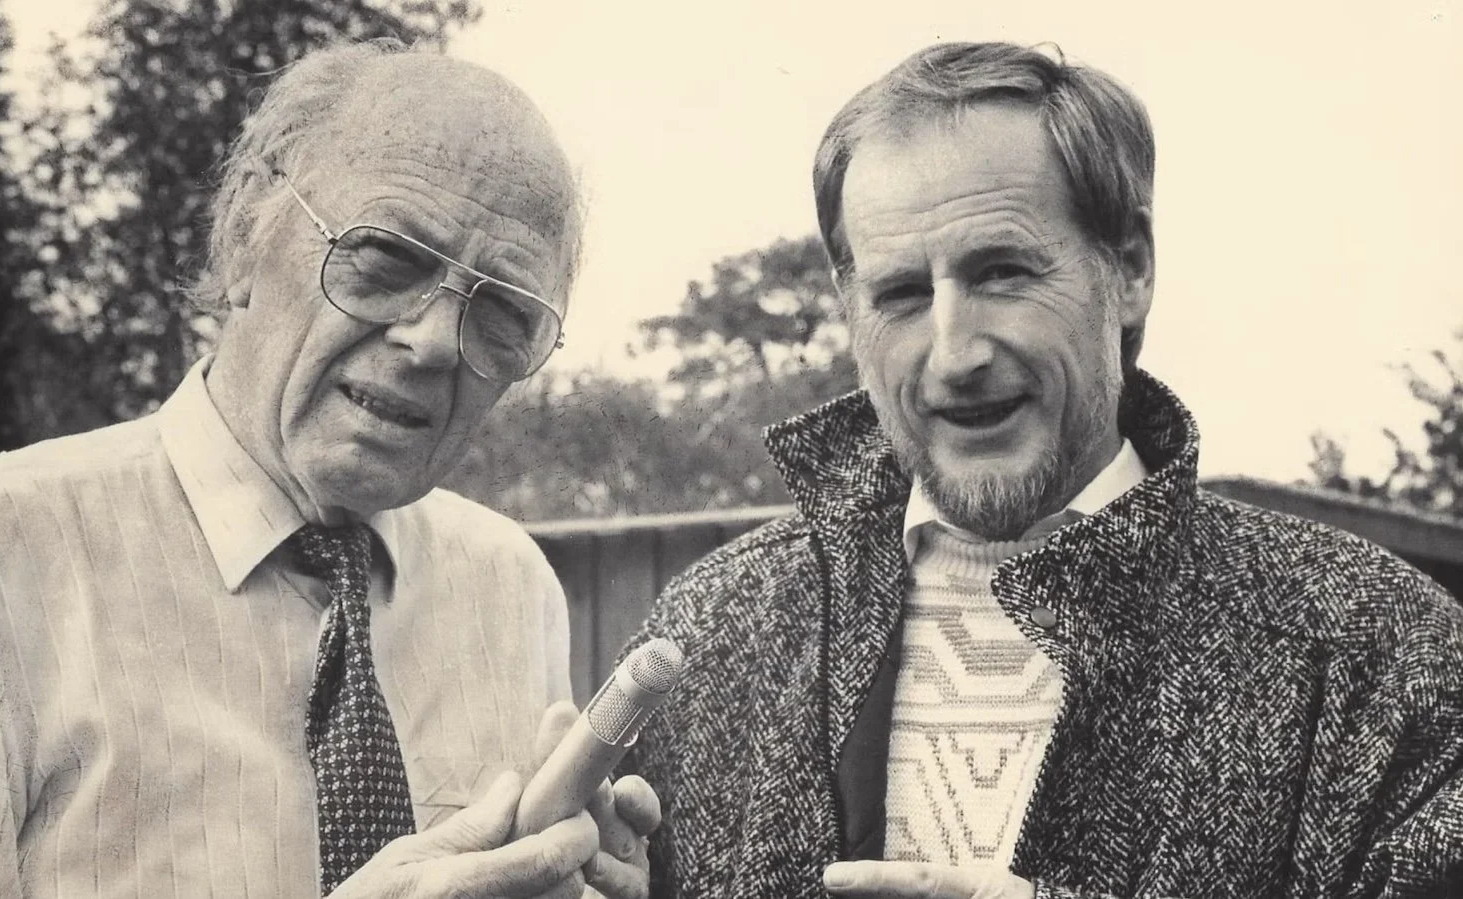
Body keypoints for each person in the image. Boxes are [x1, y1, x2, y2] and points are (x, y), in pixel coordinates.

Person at [621, 41, 1463, 899]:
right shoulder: (708, 636)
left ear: (1131, 269)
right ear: (850, 312)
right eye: (902, 294)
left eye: (1003, 272)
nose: (954, 355)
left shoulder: (1376, 655)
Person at [0, 42, 656, 898]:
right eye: (387, 257)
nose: (432, 340)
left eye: (505, 312)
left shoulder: (512, 585)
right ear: (246, 233)